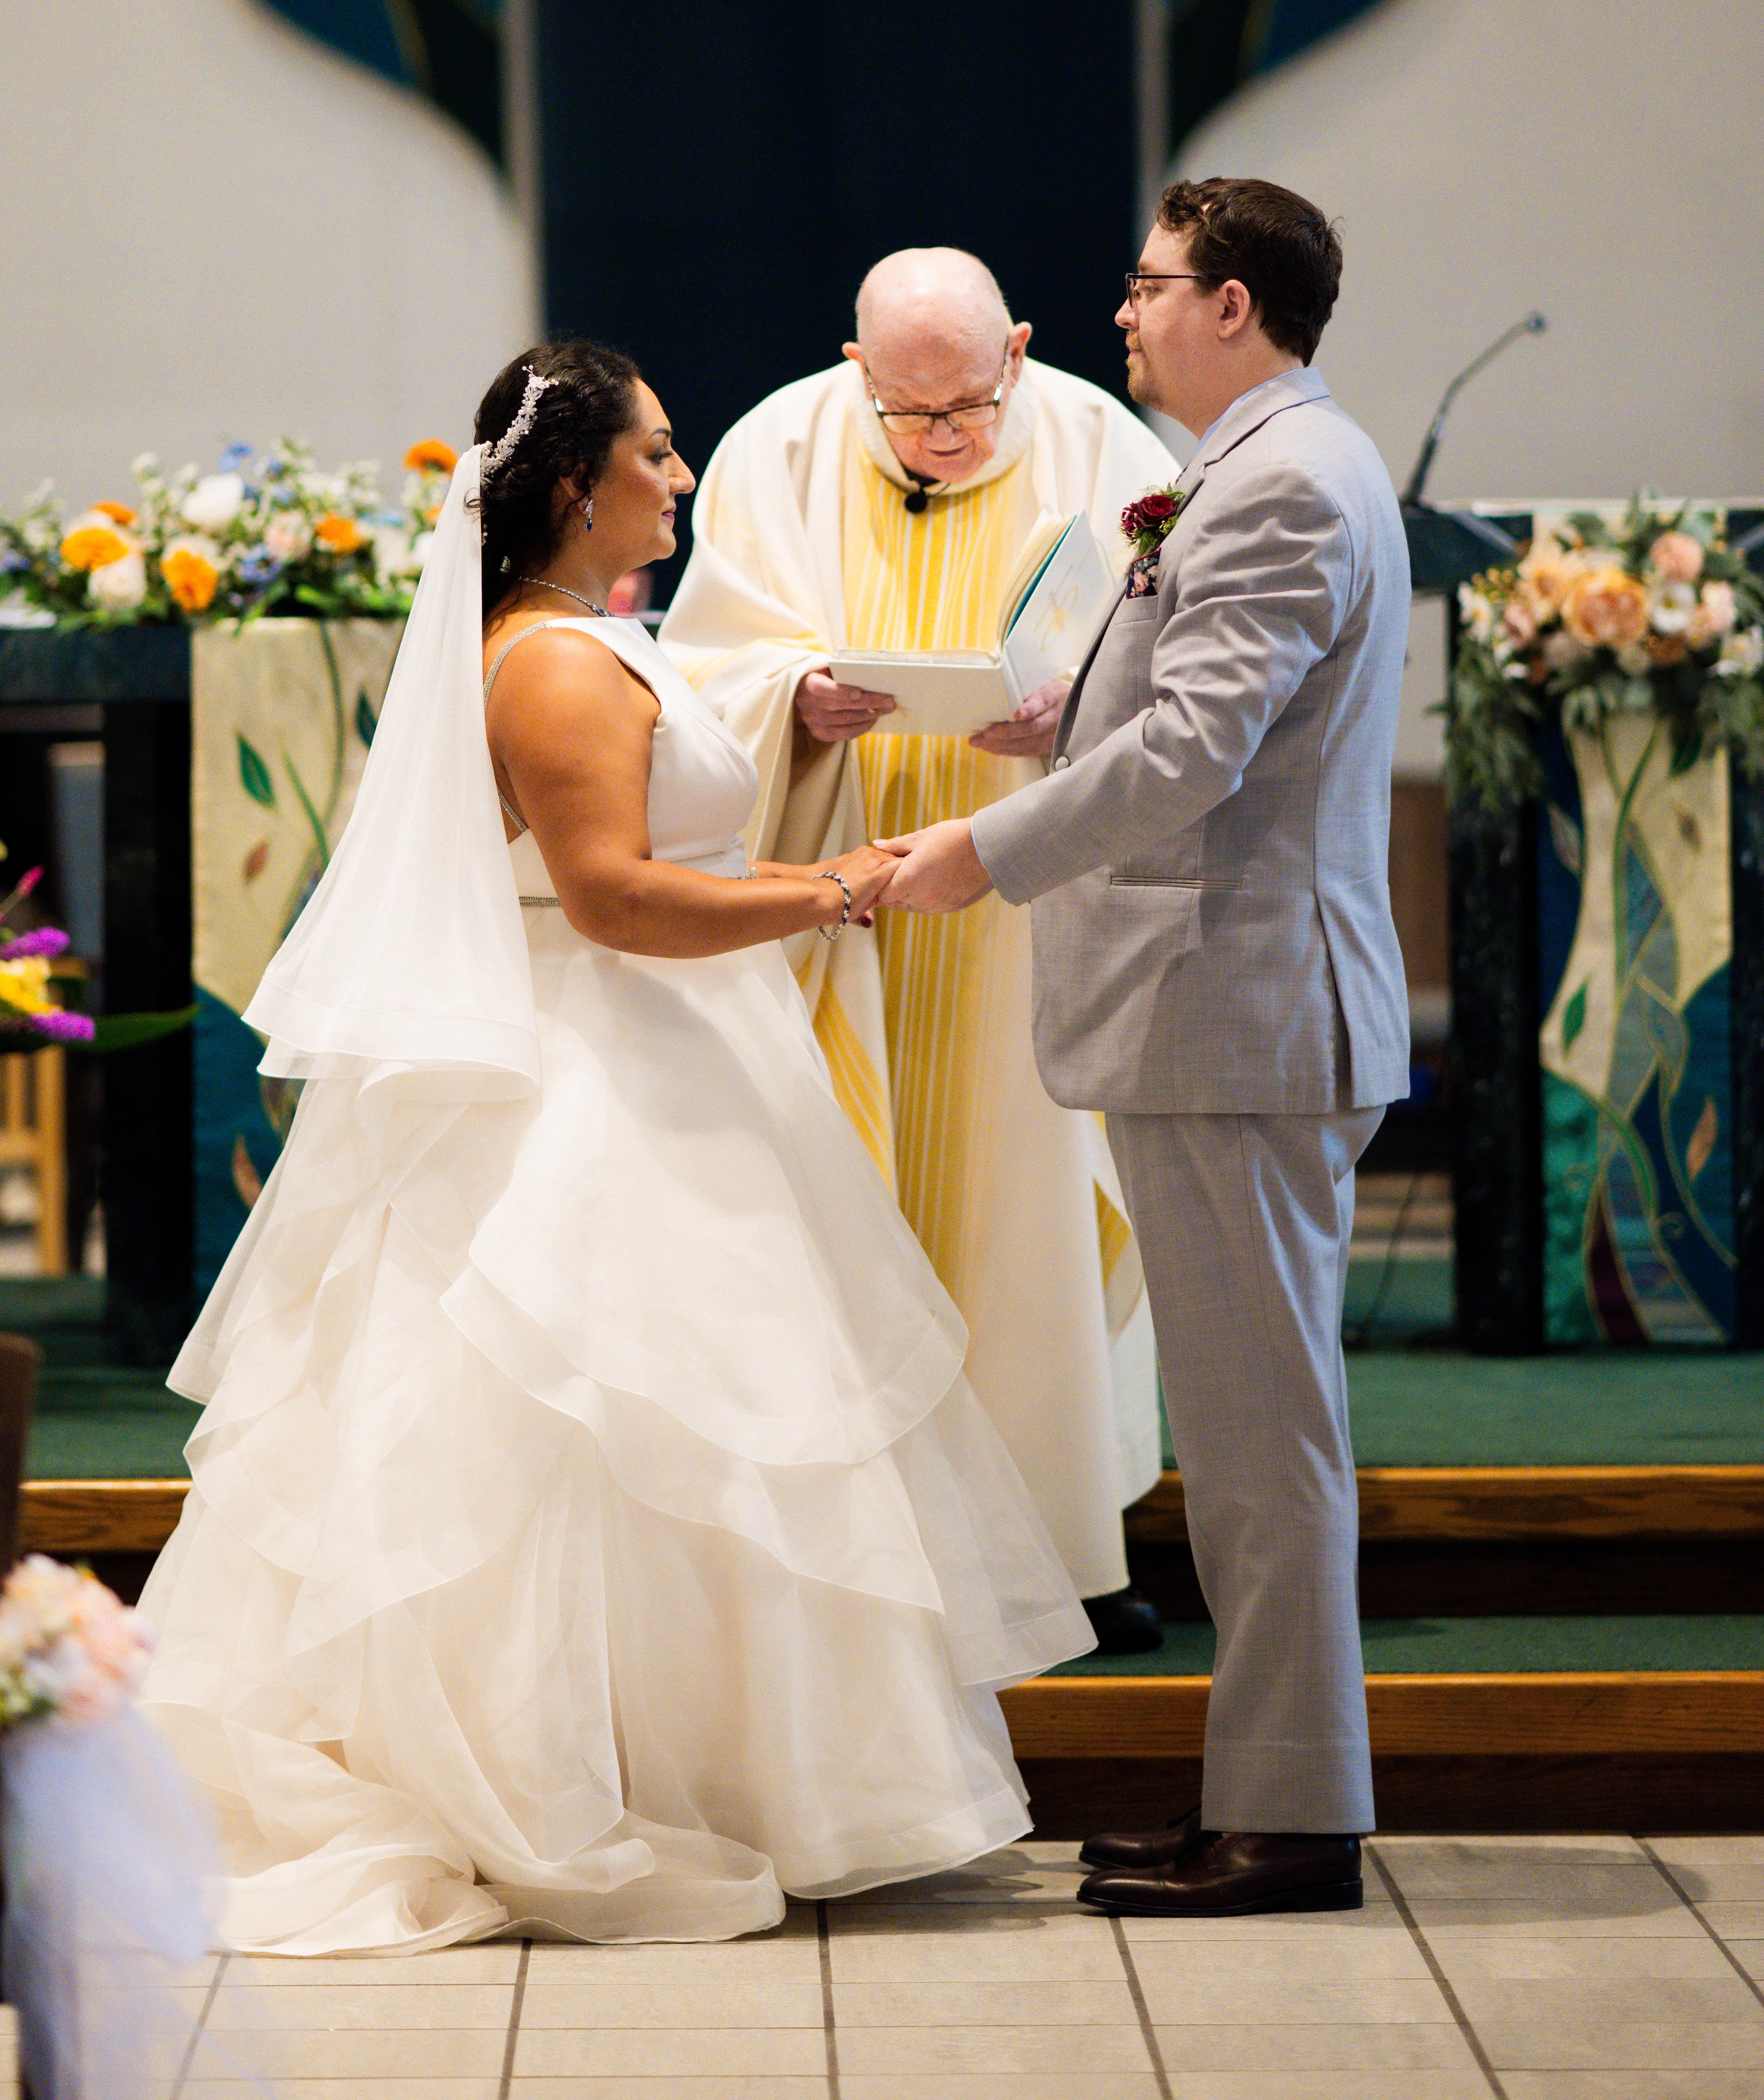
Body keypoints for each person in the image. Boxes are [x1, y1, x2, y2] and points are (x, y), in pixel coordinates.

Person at [135, 341, 1090, 1952]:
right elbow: (613, 894)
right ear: (573, 485)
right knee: (584, 1426)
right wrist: (837, 885)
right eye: (657, 453)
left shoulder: (582, 640)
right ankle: (583, 1775)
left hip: (675, 1057)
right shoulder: (559, 665)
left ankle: (711, 1770)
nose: (685, 475)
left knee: (687, 1434)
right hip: (598, 1070)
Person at [881, 179, 1411, 1919]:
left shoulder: (1278, 482)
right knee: (1257, 1439)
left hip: (1241, 1014)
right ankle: (1262, 1797)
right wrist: (1067, 713)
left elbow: (1198, 752)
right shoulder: (1278, 463)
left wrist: (986, 845)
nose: (1124, 311)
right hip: (1231, 1012)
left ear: (1236, 303)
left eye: (1150, 283)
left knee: (1266, 1446)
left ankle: (1292, 1818)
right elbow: (1194, 715)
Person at [658, 249, 1175, 1641]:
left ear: (1016, 347)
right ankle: (863, 1569)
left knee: (1028, 1212)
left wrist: (1072, 704)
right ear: (854, 370)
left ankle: (1053, 1549)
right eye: (910, 412)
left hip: (1027, 889)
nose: (945, 438)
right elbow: (703, 663)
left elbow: (1178, 656)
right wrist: (798, 694)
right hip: (841, 886)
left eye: (970, 403)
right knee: (839, 1199)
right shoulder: (776, 444)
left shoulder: (1103, 442)